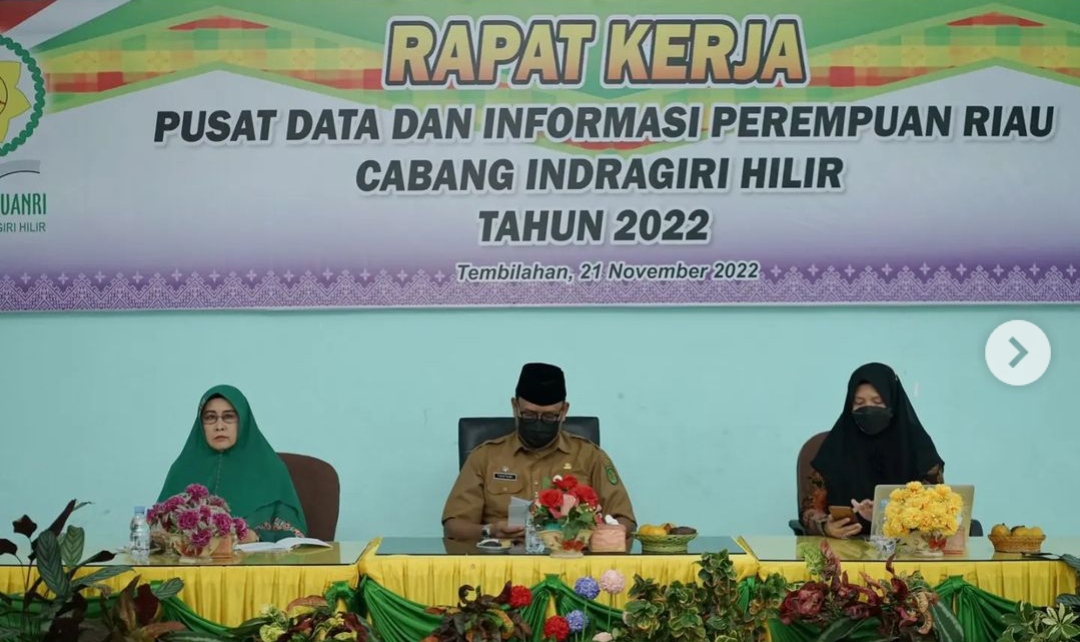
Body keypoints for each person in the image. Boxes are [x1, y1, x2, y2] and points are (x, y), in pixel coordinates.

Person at [442, 363, 636, 541]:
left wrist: (592, 535)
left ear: (564, 411)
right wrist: (491, 531)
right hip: (502, 558)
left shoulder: (589, 456)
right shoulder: (485, 457)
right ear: (515, 407)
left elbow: (625, 520)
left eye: (549, 416)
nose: (538, 423)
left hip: (572, 558)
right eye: (529, 415)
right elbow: (453, 526)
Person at [801, 362, 944, 539]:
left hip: (905, 546)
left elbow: (936, 507)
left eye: (877, 402)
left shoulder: (917, 446)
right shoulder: (835, 447)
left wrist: (889, 513)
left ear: (893, 402)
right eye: (859, 403)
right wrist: (826, 527)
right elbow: (810, 508)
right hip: (843, 547)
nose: (868, 408)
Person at [158, 385, 308, 543]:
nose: (219, 426)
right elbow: (157, 532)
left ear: (243, 420)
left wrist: (256, 536)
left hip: (255, 557)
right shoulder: (182, 470)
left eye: (229, 417)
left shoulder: (271, 470)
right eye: (210, 417)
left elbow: (295, 535)